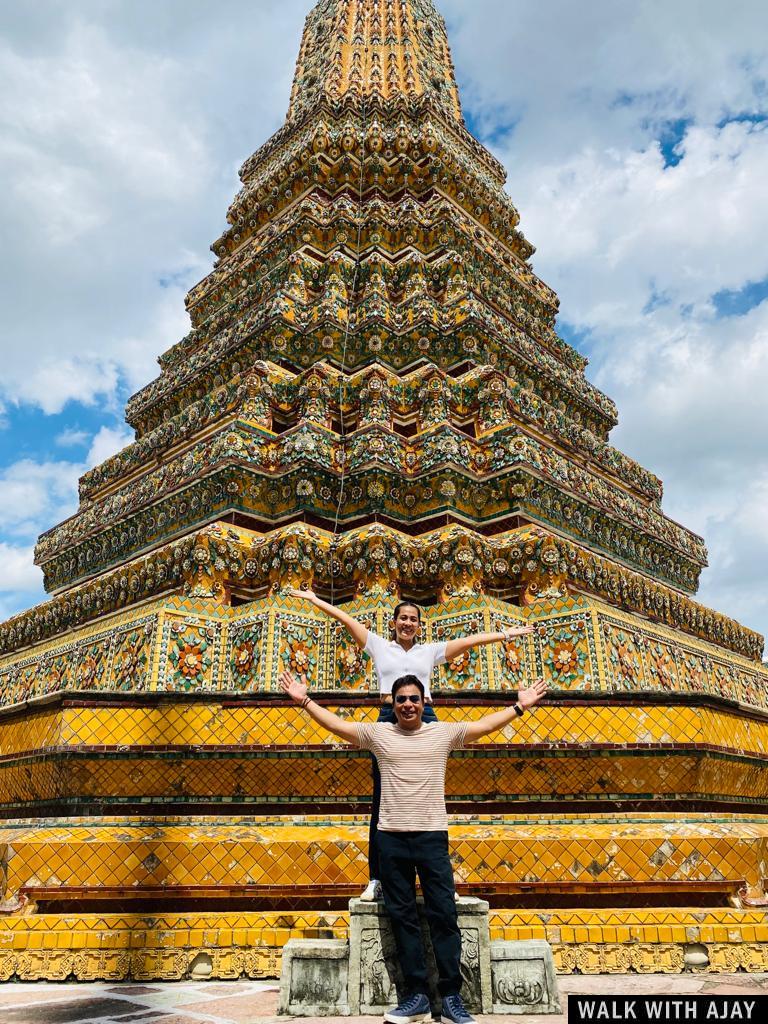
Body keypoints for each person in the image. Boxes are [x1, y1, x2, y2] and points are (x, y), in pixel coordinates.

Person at [279, 667, 547, 1024]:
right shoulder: (378, 734)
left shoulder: (442, 734)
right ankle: (417, 996)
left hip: (432, 837)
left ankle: (451, 997)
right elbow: (337, 725)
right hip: (391, 839)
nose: (408, 705)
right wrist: (305, 701)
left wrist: (519, 706)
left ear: (424, 703)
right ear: (393, 704)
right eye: (401, 699)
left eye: (414, 700)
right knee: (402, 918)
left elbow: (484, 726)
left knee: (443, 916)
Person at [289, 589, 534, 899]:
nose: (407, 623)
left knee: (433, 799)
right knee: (382, 799)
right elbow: (345, 619)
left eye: (413, 620)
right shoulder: (379, 646)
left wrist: (506, 633)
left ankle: (442, 878)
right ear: (394, 623)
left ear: (420, 625)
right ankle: (377, 878)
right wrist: (315, 599)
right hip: (389, 715)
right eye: (403, 618)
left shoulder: (428, 651)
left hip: (426, 715)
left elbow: (469, 642)